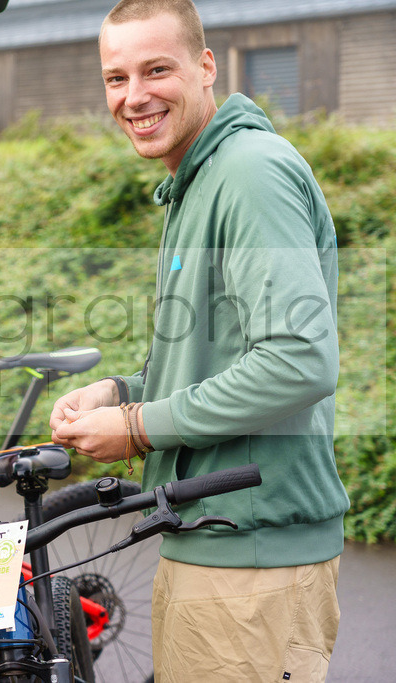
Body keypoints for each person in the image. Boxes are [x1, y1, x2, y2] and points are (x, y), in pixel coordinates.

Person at [48, 1, 349, 680]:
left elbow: (299, 360)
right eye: (116, 78)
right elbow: (224, 355)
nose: (134, 96)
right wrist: (121, 392)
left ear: (206, 65)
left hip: (251, 563)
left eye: (156, 69)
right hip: (216, 545)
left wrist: (138, 424)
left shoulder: (247, 174)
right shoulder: (199, 181)